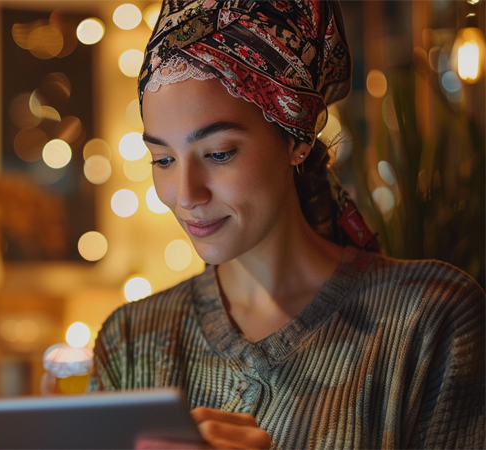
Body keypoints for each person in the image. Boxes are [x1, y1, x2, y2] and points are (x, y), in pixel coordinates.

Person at [86, 1, 486, 449]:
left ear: (297, 137)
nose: (185, 194)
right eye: (162, 160)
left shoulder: (427, 320)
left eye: (218, 154)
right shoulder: (131, 340)